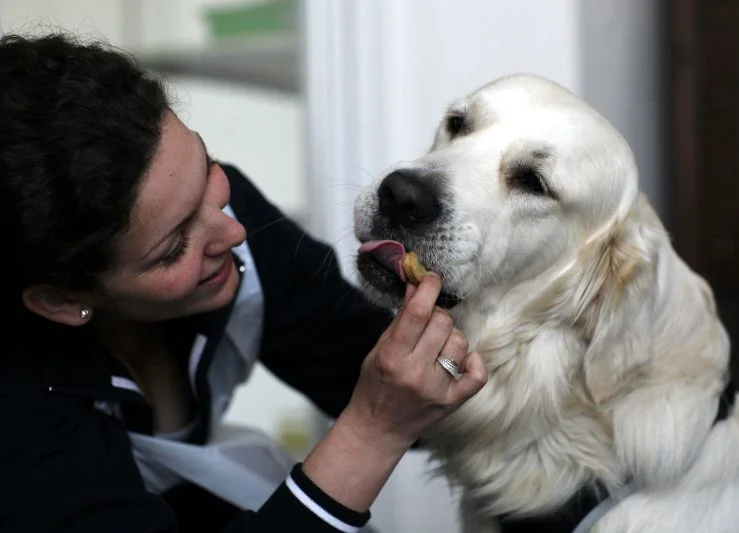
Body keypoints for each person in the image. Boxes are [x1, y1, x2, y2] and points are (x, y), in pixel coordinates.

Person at [0, 33, 487, 533]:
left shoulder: (225, 225)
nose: (232, 231)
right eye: (173, 249)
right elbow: (378, 413)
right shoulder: (18, 422)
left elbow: (351, 359)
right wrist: (372, 431)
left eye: (207, 169)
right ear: (61, 299)